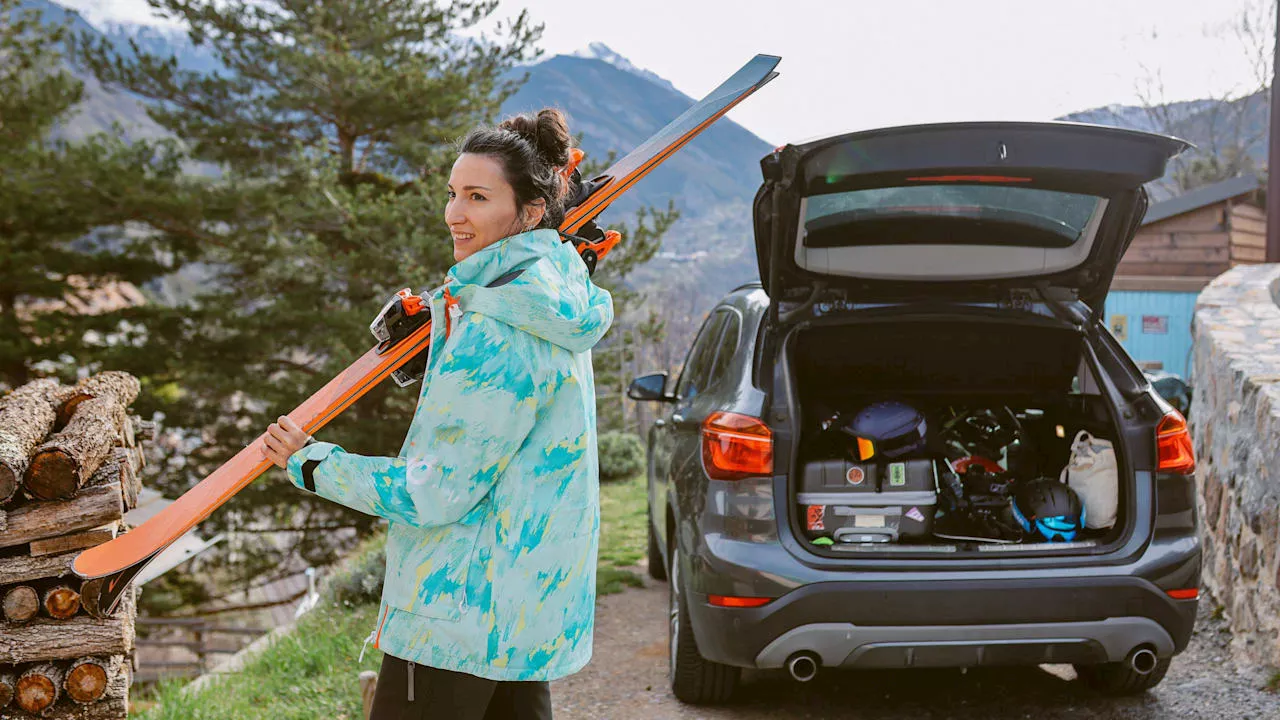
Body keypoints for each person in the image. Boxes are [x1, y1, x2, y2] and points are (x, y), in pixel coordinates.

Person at [260, 108, 613, 719]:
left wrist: (313, 464)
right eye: (453, 194)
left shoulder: (497, 326)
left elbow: (434, 490)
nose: (455, 214)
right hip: (523, 607)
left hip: (455, 611)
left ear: (529, 211)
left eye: (477, 197)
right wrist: (443, 334)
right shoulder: (551, 296)